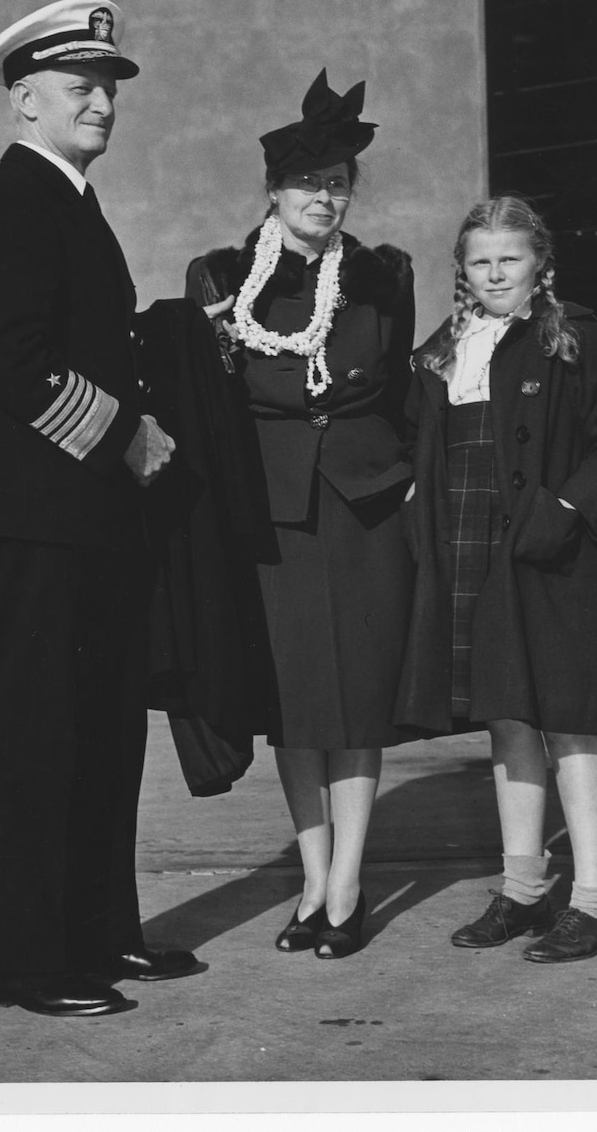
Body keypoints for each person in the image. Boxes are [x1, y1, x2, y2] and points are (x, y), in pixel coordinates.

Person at [0, 0, 198, 1017]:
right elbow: (12, 364)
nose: (100, 100)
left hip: (87, 517)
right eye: (78, 85)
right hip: (35, 515)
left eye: (108, 86)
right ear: (23, 99)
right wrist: (125, 432)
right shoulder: (5, 200)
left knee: (100, 733)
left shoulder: (71, 202)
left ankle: (97, 932)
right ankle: (23, 959)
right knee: (37, 737)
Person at [185, 70, 416, 959]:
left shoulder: (380, 275)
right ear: (273, 190)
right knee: (294, 706)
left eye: (339, 184)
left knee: (356, 703)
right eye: (308, 183)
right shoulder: (225, 276)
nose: (326, 198)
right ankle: (312, 880)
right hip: (273, 514)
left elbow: (399, 394)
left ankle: (349, 884)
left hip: (364, 511)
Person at [396, 196, 597, 963]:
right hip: (468, 545)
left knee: (567, 718)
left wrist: (562, 513)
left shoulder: (574, 333)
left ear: (539, 261)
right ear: (462, 270)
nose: (495, 271)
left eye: (509, 257)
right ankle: (523, 888)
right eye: (480, 260)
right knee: (506, 719)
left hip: (544, 551)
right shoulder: (443, 348)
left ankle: (595, 901)